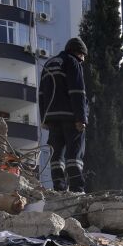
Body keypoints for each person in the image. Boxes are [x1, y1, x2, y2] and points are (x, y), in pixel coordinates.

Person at [38, 37, 88, 192]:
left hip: (52, 118)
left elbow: (41, 94)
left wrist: (44, 118)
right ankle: (76, 188)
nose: (83, 60)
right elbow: (77, 91)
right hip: (71, 116)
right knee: (74, 154)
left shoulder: (49, 63)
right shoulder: (72, 62)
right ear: (78, 53)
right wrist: (81, 118)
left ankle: (59, 187)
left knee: (56, 153)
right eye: (83, 56)